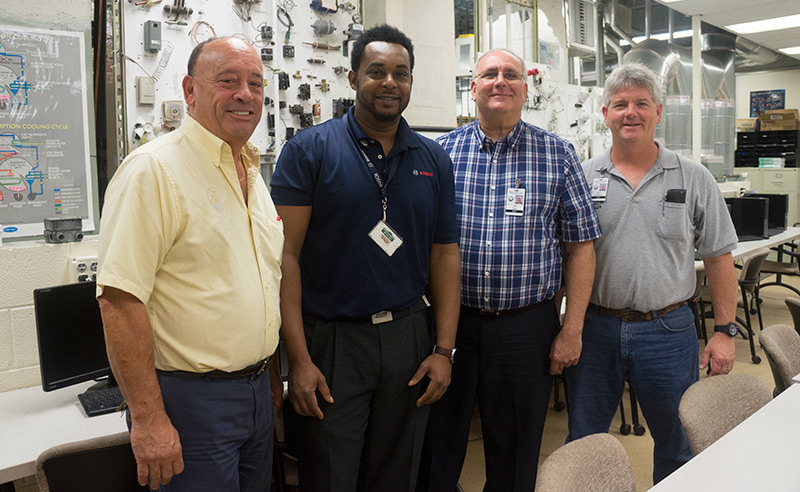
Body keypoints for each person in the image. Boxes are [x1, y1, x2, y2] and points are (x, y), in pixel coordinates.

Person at [270, 24, 461, 492]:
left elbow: (444, 256)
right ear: (353, 78)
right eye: (377, 72)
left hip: (409, 338)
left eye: (402, 73)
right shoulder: (309, 151)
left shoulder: (432, 158)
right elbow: (284, 258)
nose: (390, 83)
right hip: (333, 343)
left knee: (397, 474)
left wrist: (443, 350)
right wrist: (298, 360)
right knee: (330, 475)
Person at [97, 37, 284, 491]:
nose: (245, 94)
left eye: (256, 83)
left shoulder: (253, 172)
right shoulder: (153, 170)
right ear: (190, 90)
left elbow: (261, 283)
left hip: (256, 393)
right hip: (190, 402)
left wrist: (270, 376)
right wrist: (147, 418)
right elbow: (119, 302)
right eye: (228, 81)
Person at [417, 48, 601, 492]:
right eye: (490, 75)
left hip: (525, 328)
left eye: (511, 75)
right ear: (473, 88)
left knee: (515, 449)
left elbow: (581, 248)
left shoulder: (558, 154)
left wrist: (571, 329)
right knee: (436, 443)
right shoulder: (440, 154)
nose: (501, 81)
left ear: (525, 89)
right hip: (450, 325)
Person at [566, 62, 739, 484]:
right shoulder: (582, 176)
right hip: (596, 330)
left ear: (658, 112)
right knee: (583, 441)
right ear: (605, 113)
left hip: (669, 330)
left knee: (677, 440)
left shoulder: (693, 177)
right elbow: (567, 255)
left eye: (642, 103)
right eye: (621, 104)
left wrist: (724, 331)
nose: (631, 112)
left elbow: (719, 258)